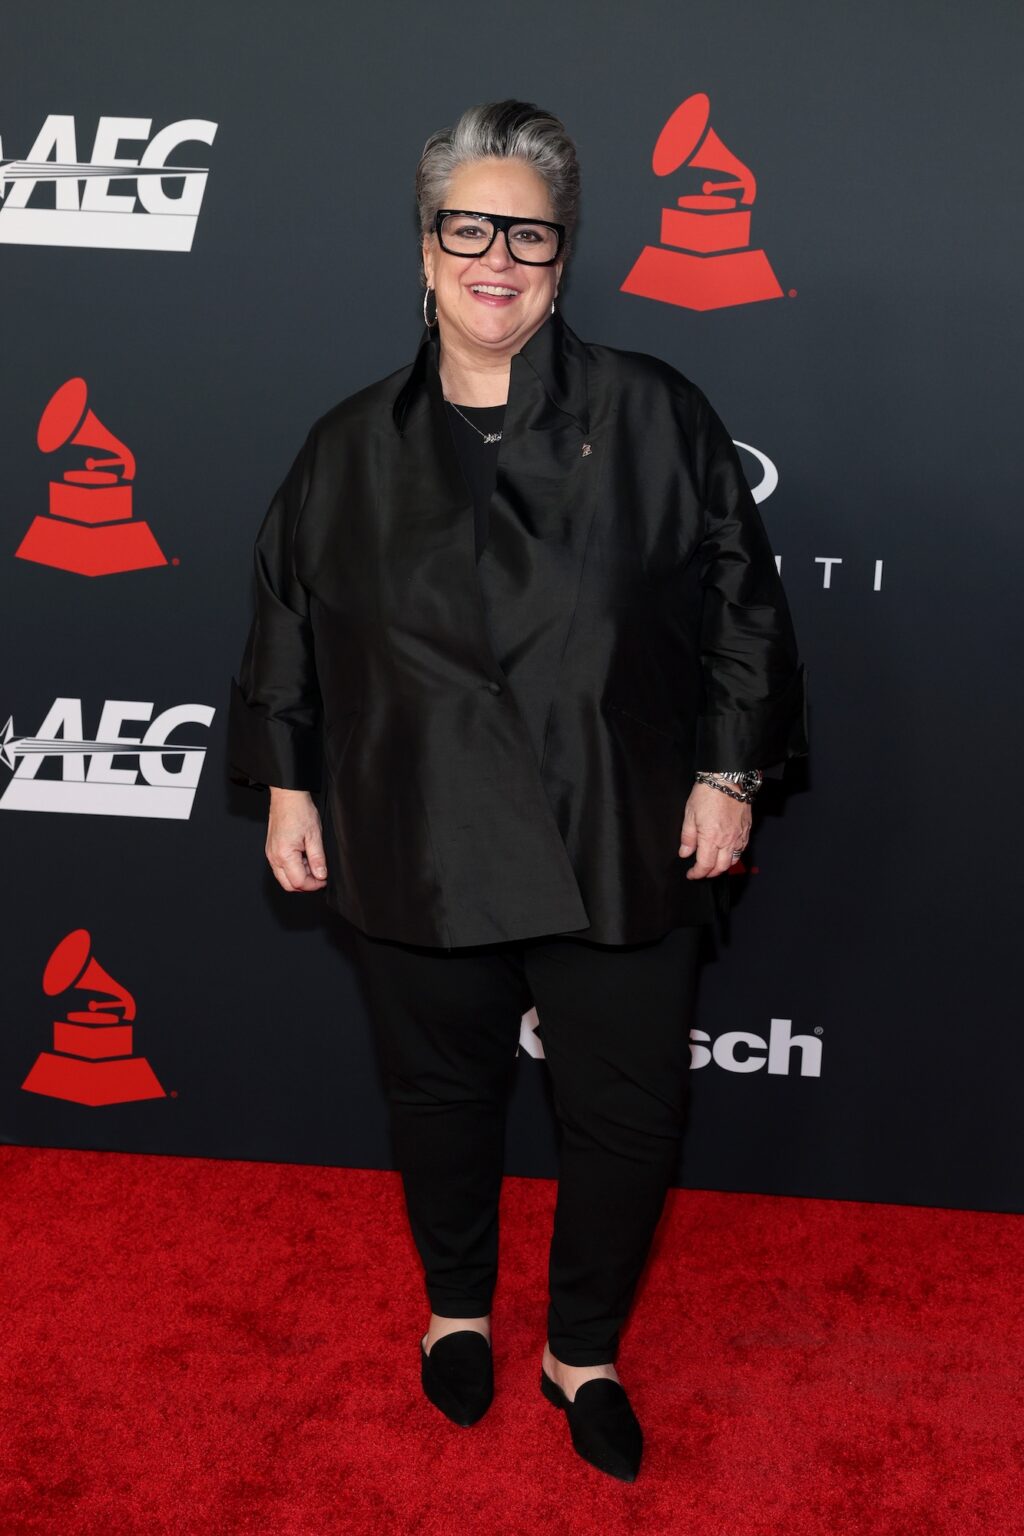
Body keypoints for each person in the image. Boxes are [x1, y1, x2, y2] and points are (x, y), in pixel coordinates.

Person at [227, 99, 808, 1483]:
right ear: (424, 251)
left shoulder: (659, 413)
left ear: (561, 260)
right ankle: (457, 1313)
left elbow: (744, 603)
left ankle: (582, 1350)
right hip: (410, 816)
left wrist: (732, 768)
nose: (498, 258)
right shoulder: (347, 445)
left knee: (627, 1113)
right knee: (440, 1093)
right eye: (469, 228)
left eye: (528, 235)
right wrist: (288, 789)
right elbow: (287, 622)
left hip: (618, 821)